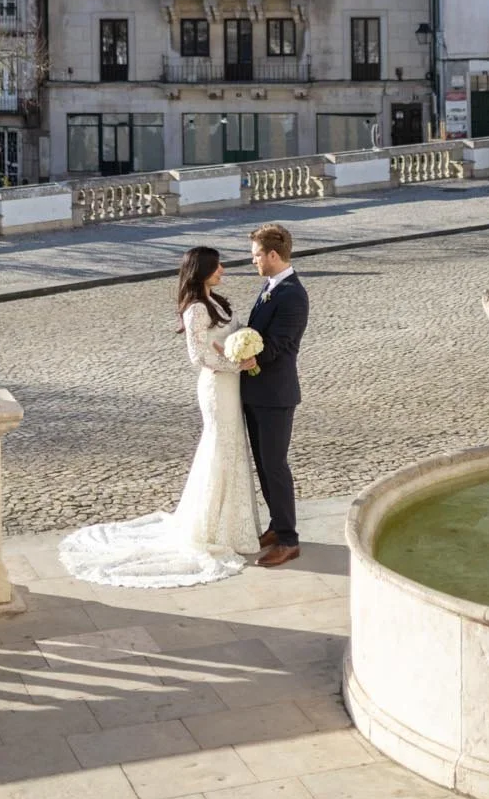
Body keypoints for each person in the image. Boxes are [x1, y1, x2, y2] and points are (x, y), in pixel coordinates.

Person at [59, 245, 260, 588]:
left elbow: (227, 337)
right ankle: (211, 526)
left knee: (232, 445)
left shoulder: (216, 302)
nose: (223, 269)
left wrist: (245, 345)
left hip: (230, 385)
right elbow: (197, 357)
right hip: (216, 386)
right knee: (219, 446)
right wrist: (236, 364)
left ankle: (232, 524)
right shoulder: (196, 309)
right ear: (202, 271)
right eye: (217, 266)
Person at [240, 222, 309, 568]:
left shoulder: (293, 293)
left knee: (276, 467)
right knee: (265, 467)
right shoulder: (270, 286)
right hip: (256, 392)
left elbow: (282, 343)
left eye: (255, 256)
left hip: (276, 395)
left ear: (272, 255)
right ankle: (276, 526)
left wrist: (249, 355)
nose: (253, 262)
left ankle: (289, 539)